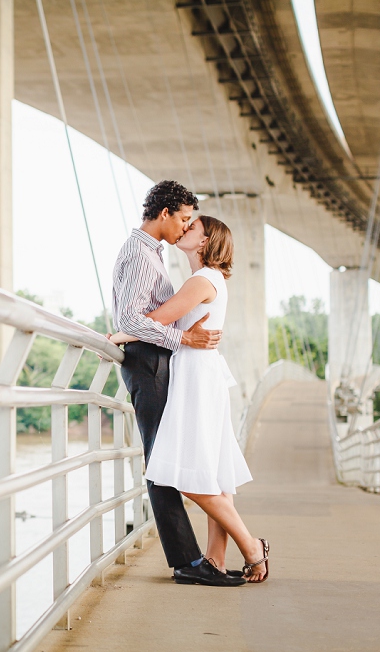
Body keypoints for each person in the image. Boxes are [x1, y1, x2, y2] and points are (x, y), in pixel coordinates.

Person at [110, 212, 269, 583]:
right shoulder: (207, 279)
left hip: (196, 376)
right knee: (213, 472)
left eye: (191, 225)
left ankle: (251, 546)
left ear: (203, 242)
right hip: (202, 373)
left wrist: (119, 336)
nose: (185, 228)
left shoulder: (200, 280)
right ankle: (214, 559)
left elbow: (158, 318)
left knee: (188, 475)